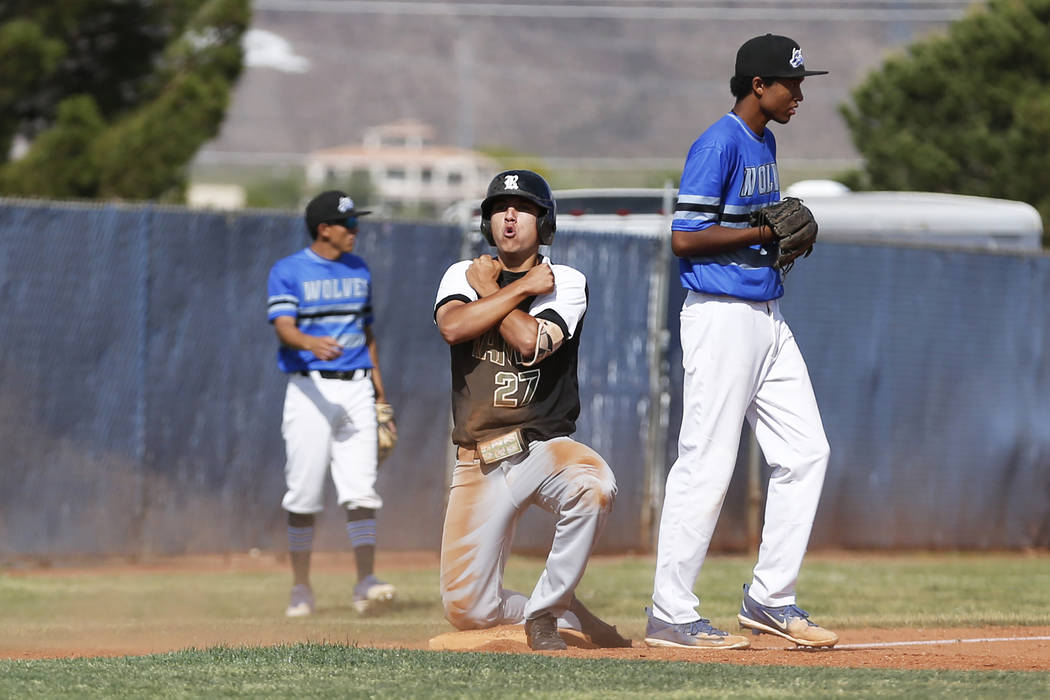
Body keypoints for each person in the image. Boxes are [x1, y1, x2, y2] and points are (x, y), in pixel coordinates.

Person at [644, 34, 838, 650]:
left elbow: (754, 230)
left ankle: (770, 598)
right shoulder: (718, 142)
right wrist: (759, 228)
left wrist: (765, 232)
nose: (799, 94)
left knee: (807, 452)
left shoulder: (766, 141)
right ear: (758, 84)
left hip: (767, 312)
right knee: (707, 460)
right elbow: (684, 237)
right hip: (722, 314)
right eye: (792, 83)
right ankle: (671, 612)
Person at [434, 170, 630, 651]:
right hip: (478, 457)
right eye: (499, 207)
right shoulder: (463, 273)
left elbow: (529, 342)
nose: (509, 216)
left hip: (541, 449)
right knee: (467, 610)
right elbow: (454, 328)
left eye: (522, 208)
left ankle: (545, 612)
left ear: (544, 222)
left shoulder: (566, 281)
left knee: (593, 486)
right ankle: (565, 607)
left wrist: (497, 291)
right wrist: (513, 290)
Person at [267, 190, 396, 617]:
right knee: (303, 494)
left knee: (361, 489)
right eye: (349, 224)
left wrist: (381, 395)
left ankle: (365, 583)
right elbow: (283, 326)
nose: (356, 231)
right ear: (325, 229)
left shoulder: (360, 269)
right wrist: (309, 342)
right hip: (310, 389)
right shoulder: (289, 271)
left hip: (357, 387)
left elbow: (368, 335)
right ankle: (301, 588)